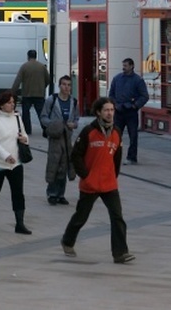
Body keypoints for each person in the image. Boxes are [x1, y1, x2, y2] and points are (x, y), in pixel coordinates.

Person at [60, 97, 134, 263]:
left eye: (112, 110)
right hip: (90, 184)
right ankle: (67, 241)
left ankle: (120, 253)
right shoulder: (88, 132)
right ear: (99, 112)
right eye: (106, 110)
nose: (110, 113)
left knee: (117, 217)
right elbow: (76, 155)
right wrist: (85, 175)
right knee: (81, 216)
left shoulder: (116, 132)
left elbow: (117, 157)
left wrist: (113, 175)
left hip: (109, 184)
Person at [0, 90, 31, 234]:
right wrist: (5, 155)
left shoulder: (17, 117)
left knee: (18, 193)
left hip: (16, 163)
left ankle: (19, 223)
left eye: (13, 102)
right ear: (2, 105)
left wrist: (25, 139)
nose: (12, 105)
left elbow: (24, 134)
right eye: (9, 102)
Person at [39, 75, 80, 205]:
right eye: (64, 84)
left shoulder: (73, 101)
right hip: (55, 137)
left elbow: (76, 119)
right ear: (59, 86)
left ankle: (61, 194)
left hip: (67, 137)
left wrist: (74, 124)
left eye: (69, 85)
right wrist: (54, 125)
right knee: (54, 164)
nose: (66, 87)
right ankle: (52, 193)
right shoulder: (52, 100)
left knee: (65, 165)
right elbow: (43, 117)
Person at [107, 58, 149, 165]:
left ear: (131, 66)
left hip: (131, 112)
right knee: (115, 135)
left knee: (133, 135)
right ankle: (113, 156)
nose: (123, 68)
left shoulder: (138, 80)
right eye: (123, 65)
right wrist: (115, 104)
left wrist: (135, 106)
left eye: (125, 65)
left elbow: (144, 96)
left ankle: (132, 157)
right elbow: (111, 94)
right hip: (119, 111)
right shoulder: (117, 79)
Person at [10, 49, 51, 136]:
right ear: (36, 56)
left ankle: (27, 129)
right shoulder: (42, 67)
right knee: (41, 113)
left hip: (27, 93)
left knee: (26, 112)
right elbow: (48, 79)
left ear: (28, 56)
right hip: (39, 94)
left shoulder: (24, 66)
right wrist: (42, 87)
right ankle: (45, 129)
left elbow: (18, 80)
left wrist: (12, 92)